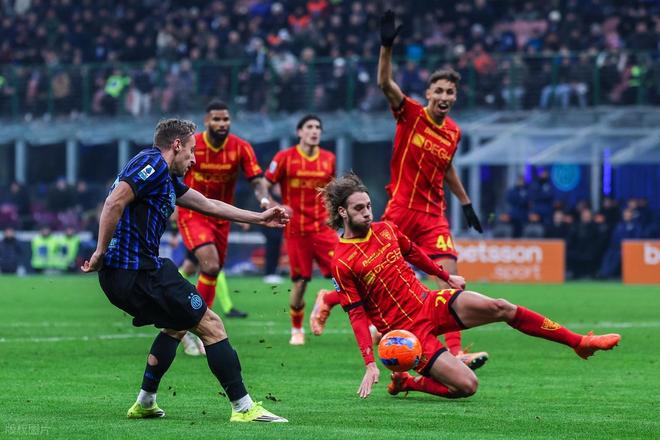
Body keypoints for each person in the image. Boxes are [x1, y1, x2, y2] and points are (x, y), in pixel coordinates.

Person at [322, 173, 620, 399]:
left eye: (369, 205)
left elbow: (414, 253)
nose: (367, 212)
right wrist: (370, 363)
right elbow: (356, 315)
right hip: (407, 333)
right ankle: (410, 382)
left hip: (429, 302)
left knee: (501, 307)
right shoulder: (342, 262)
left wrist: (448, 277)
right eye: (359, 208)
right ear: (343, 212)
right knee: (467, 386)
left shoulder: (386, 229)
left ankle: (579, 343)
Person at [310, 10, 486, 368]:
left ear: (455, 96)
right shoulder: (411, 114)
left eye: (450, 92)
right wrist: (386, 47)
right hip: (402, 207)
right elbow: (385, 84)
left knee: (450, 275)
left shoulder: (454, 132)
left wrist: (466, 203)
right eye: (439, 90)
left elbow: (447, 167)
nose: (444, 96)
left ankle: (455, 352)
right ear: (428, 93)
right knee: (378, 274)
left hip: (433, 213)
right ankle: (329, 298)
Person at [81, 118, 288, 423]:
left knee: (177, 325)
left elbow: (209, 204)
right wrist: (100, 252)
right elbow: (114, 202)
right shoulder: (152, 163)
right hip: (138, 272)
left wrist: (259, 218)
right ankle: (244, 408)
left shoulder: (164, 178)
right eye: (191, 151)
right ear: (176, 145)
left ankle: (145, 402)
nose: (193, 160)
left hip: (127, 276)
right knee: (212, 325)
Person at [176, 100, 270, 353]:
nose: (222, 123)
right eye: (217, 119)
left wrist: (264, 200)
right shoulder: (193, 144)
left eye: (226, 119)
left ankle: (181, 318)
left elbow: (257, 179)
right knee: (210, 264)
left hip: (221, 216)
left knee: (202, 268)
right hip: (193, 212)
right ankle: (197, 325)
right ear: (207, 121)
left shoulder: (241, 147)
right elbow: (174, 171)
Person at [263, 114, 337, 345]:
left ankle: (334, 304)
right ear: (300, 132)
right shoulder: (284, 157)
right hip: (296, 231)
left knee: (345, 274)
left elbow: (331, 192)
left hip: (323, 229)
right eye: (309, 127)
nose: (314, 131)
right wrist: (271, 205)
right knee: (300, 283)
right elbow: (264, 184)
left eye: (318, 127)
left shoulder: (329, 159)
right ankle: (297, 329)